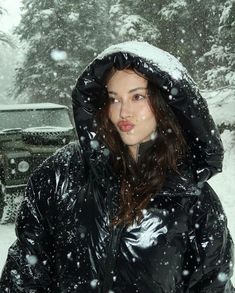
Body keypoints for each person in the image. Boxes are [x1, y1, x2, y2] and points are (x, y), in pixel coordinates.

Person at [0, 41, 234, 293]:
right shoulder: (59, 175)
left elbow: (212, 285)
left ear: (163, 102)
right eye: (114, 99)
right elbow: (24, 277)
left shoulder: (193, 198)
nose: (123, 111)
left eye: (137, 96)